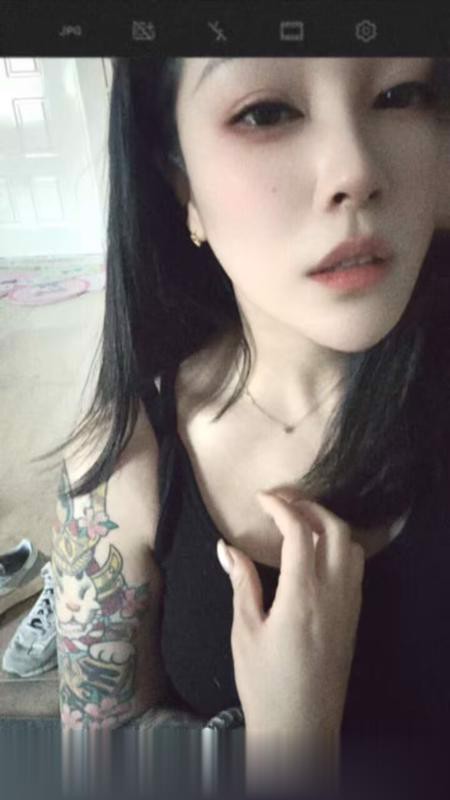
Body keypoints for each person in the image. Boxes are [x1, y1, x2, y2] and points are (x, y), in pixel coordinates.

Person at [49, 56, 450, 795]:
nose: (355, 171)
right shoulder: (123, 466)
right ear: (179, 181)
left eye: (401, 94)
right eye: (266, 112)